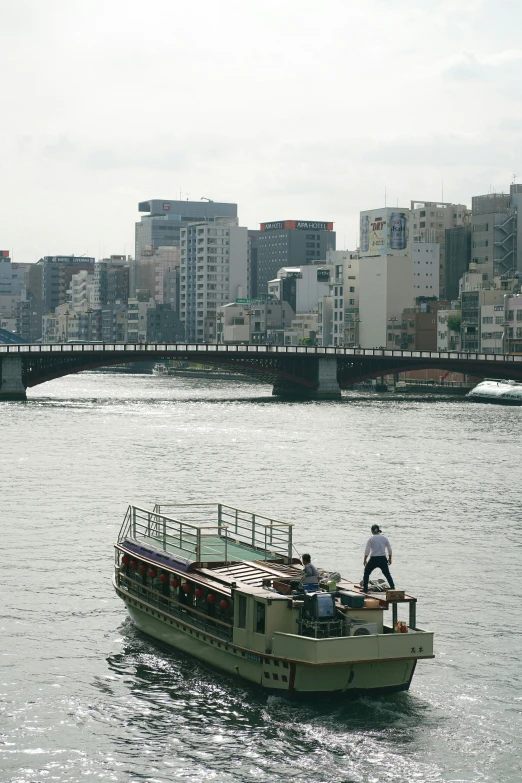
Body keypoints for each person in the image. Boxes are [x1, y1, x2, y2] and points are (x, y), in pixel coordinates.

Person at [362, 524, 395, 593]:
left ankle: (365, 589)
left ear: (372, 531)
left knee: (367, 572)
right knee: (387, 574)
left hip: (373, 559)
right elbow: (389, 549)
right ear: (379, 531)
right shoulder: (384, 538)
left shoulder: (371, 538)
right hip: (382, 559)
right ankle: (392, 587)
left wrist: (365, 559)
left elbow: (367, 550)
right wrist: (390, 558)